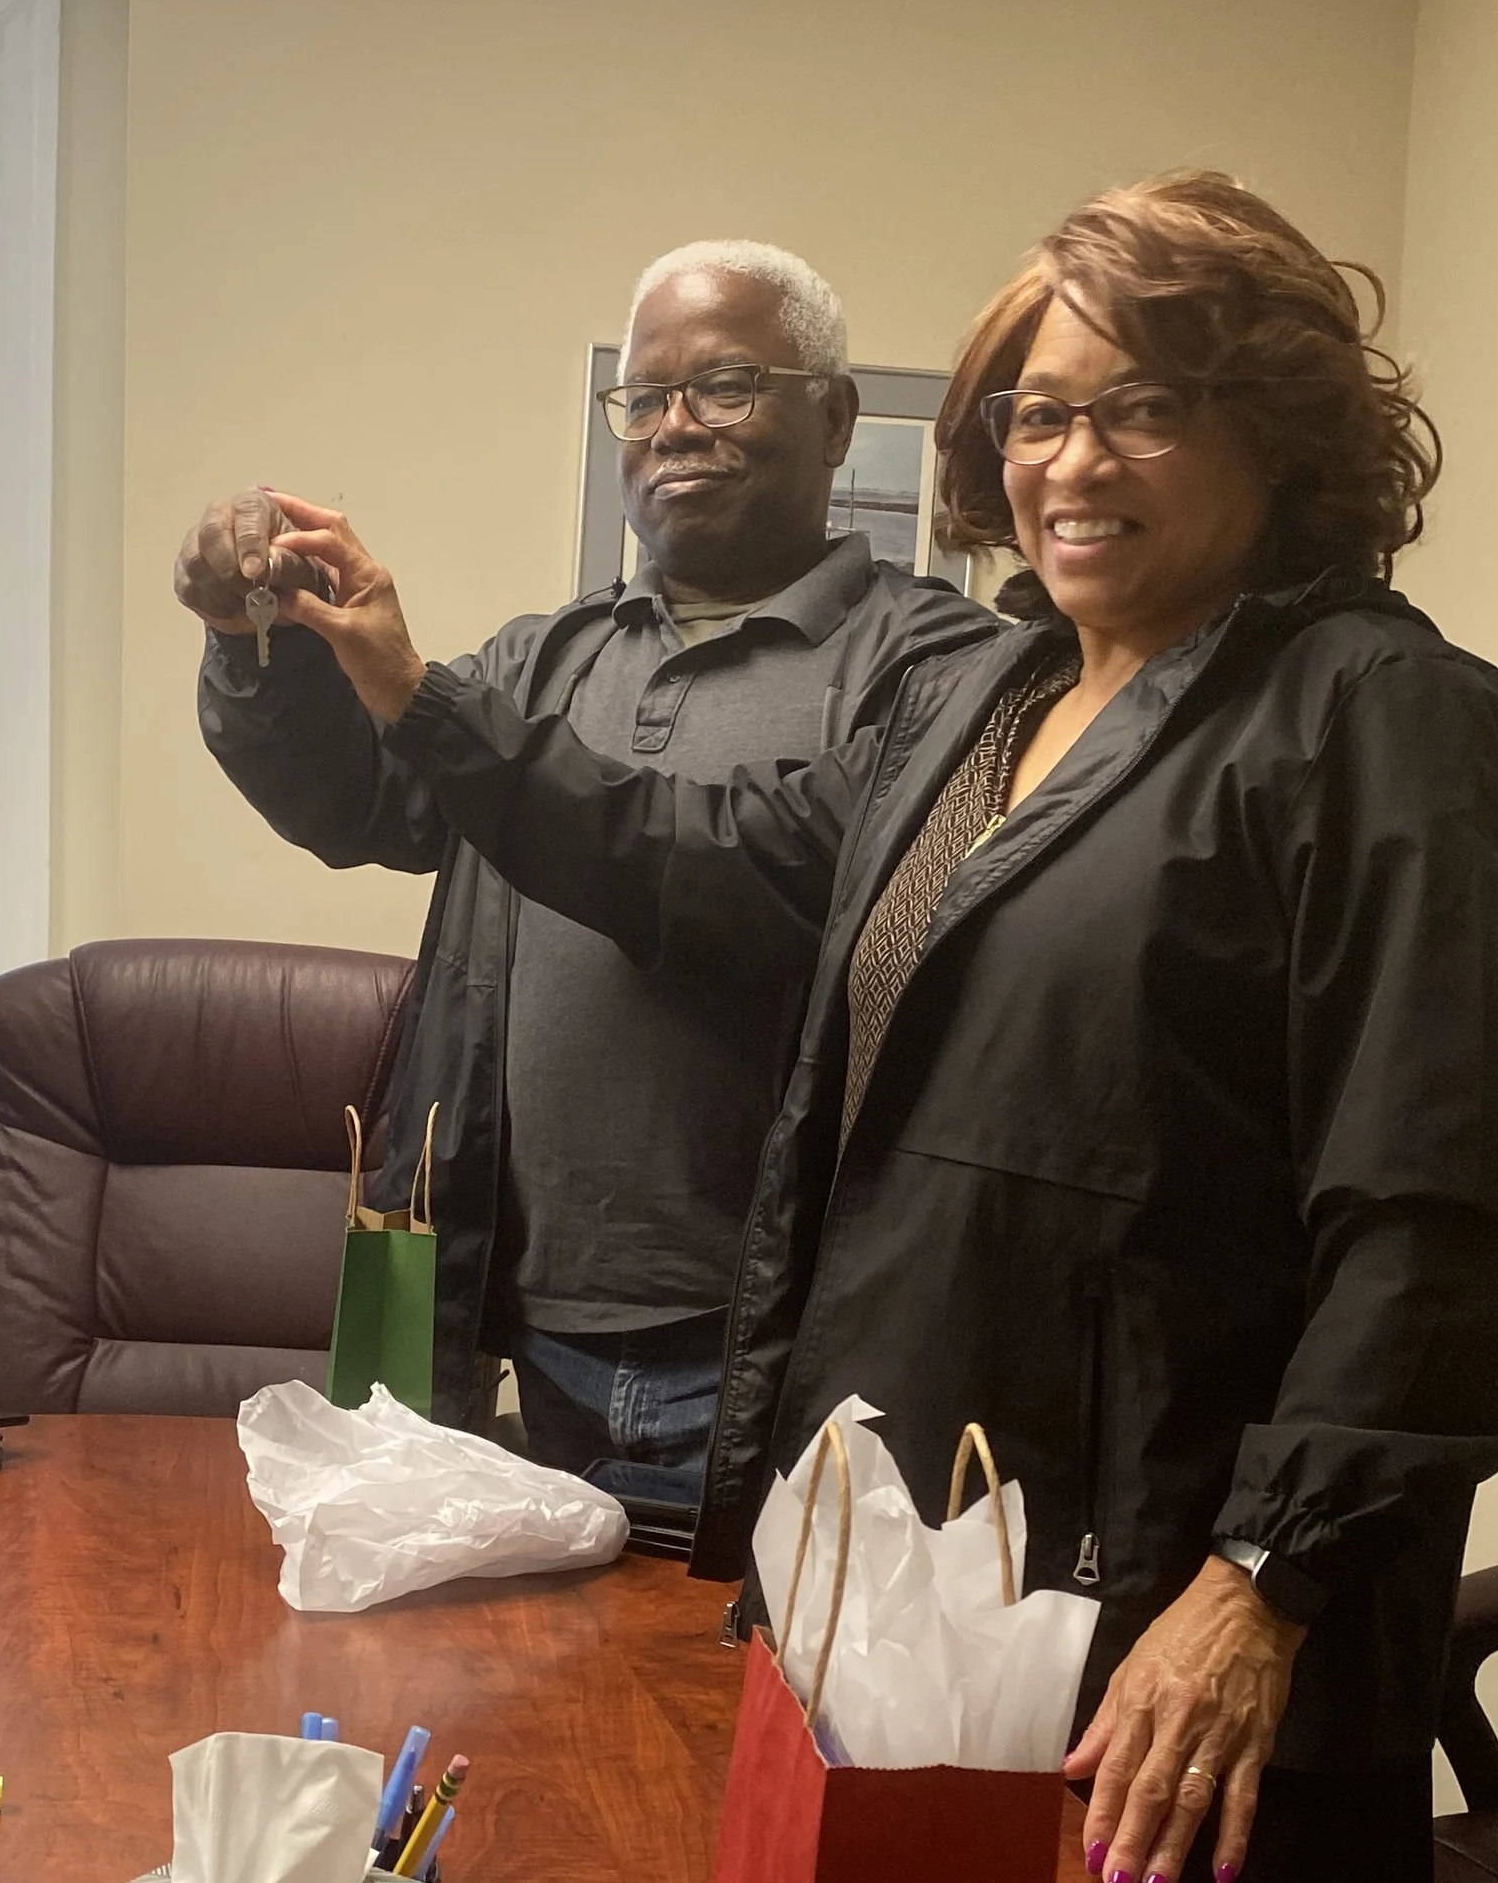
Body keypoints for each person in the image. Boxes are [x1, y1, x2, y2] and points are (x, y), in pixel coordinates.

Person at [239, 176, 1498, 1883]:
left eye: (1142, 405)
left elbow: (1439, 1227)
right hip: (914, 1544)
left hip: (1167, 1595)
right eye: (1034, 412)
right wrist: (406, 689)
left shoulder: (1384, 716)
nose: (1072, 461)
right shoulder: (996, 694)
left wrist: (1260, 1585)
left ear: (1277, 426)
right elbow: (683, 854)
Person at [173, 240, 991, 1510]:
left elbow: (738, 874)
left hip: (779, 1356)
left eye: (723, 387)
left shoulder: (935, 667)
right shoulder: (546, 660)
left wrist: (426, 700)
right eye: (646, 398)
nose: (674, 428)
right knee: (551, 1699)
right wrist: (254, 647)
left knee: (728, 1703)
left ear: (833, 419)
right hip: (529, 1334)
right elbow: (360, 806)